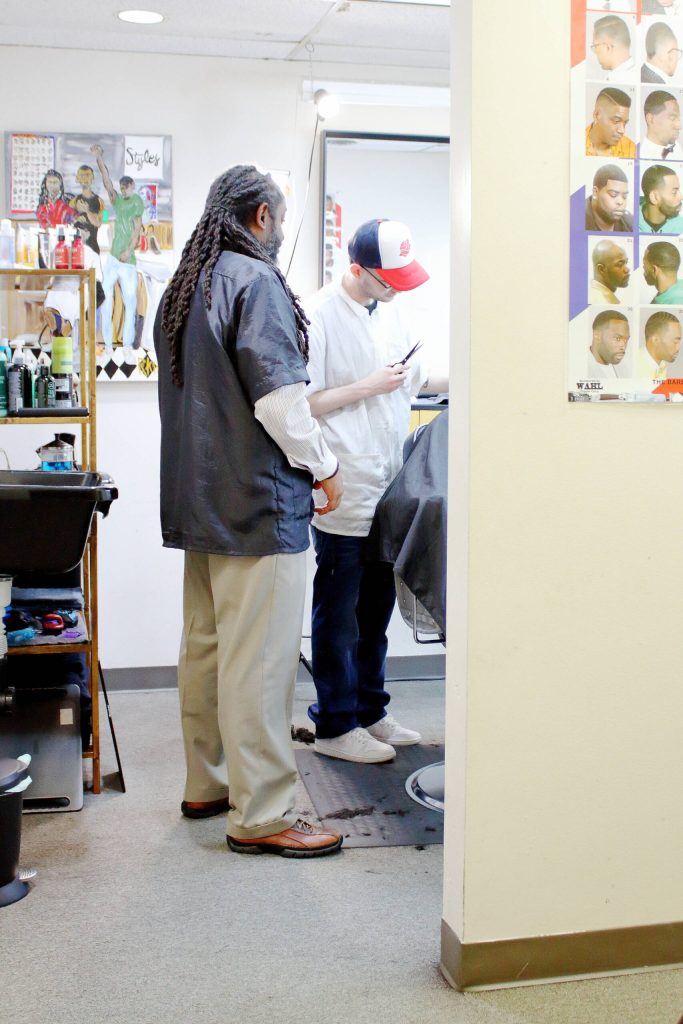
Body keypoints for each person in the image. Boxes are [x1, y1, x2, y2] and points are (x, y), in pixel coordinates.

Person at [155, 164, 344, 858]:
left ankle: (206, 784)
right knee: (260, 665)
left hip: (199, 505)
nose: (282, 229)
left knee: (204, 652)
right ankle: (262, 813)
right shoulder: (256, 283)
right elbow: (278, 403)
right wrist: (324, 468)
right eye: (281, 217)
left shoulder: (184, 287)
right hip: (256, 507)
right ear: (260, 217)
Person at [304, 218, 447, 764]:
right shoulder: (318, 315)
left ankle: (370, 710)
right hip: (343, 482)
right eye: (388, 280)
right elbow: (304, 401)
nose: (396, 289)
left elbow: (411, 376)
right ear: (357, 269)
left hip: (387, 482)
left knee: (376, 610)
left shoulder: (391, 308)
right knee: (337, 614)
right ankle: (335, 725)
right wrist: (371, 385)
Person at [90, 144, 144, 354]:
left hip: (127, 262)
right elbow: (105, 180)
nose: (123, 191)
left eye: (126, 188)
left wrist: (128, 251)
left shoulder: (137, 203)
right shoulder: (118, 201)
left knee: (130, 302)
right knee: (105, 299)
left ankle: (129, 345)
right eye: (121, 188)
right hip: (113, 258)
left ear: (132, 187)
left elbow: (137, 229)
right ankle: (109, 345)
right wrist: (99, 158)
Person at [585, 87, 636, 157]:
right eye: (616, 121)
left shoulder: (631, 149)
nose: (622, 130)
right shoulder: (575, 142)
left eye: (625, 123)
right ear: (597, 115)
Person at [585, 164, 633, 231]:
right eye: (613, 194)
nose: (620, 202)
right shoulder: (575, 219)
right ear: (595, 192)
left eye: (624, 196)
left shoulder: (630, 224)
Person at [70, 165, 105, 255]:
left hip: (92, 248)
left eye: (87, 175)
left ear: (92, 177)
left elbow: (101, 222)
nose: (85, 178)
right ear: (77, 178)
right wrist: (76, 219)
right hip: (75, 248)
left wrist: (87, 211)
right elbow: (67, 222)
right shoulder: (73, 202)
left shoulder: (101, 201)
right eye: (82, 175)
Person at [639, 164, 683, 233]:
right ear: (654, 197)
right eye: (674, 192)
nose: (681, 197)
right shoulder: (630, 223)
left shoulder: (680, 226)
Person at [638, 309, 681, 378]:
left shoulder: (661, 365)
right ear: (655, 340)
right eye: (675, 342)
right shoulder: (635, 367)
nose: (678, 348)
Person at [640, 90, 683, 160]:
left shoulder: (679, 151)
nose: (679, 126)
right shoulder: (633, 152)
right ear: (651, 119)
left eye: (678, 119)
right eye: (672, 118)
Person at [590, 15, 635, 81]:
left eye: (595, 46)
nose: (595, 52)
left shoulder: (621, 80)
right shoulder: (616, 77)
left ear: (608, 48)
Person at [587, 309, 630, 379]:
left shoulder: (624, 369)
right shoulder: (579, 367)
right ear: (597, 336)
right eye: (618, 338)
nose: (623, 346)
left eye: (626, 339)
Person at [589, 239, 631, 304]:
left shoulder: (600, 297)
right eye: (620, 264)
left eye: (626, 262)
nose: (627, 270)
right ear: (601, 269)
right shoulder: (601, 302)